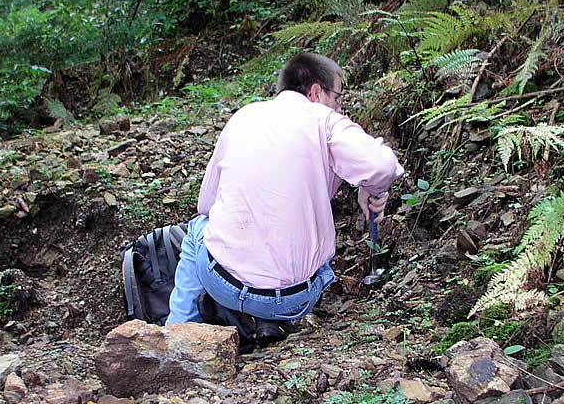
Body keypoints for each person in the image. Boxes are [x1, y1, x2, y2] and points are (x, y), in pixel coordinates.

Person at [165, 51, 404, 326]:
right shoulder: (324, 120)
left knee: (198, 228)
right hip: (298, 299)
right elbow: (382, 165)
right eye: (337, 99)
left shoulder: (243, 117)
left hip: (226, 287)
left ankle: (177, 331)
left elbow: (206, 205)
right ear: (316, 92)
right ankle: (264, 321)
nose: (339, 109)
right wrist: (371, 187)